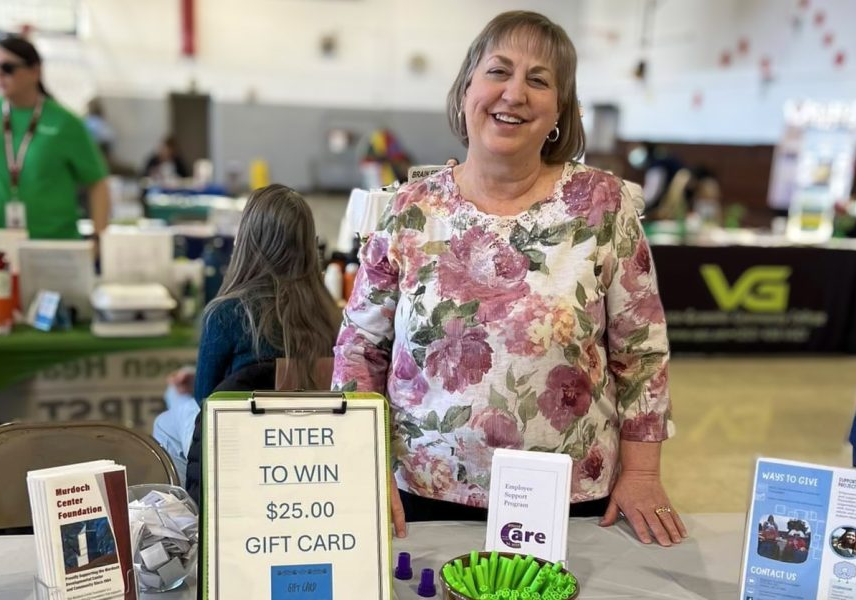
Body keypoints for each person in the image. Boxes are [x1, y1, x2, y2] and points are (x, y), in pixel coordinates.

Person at [333, 10, 683, 547]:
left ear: (560, 112)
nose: (514, 93)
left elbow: (642, 352)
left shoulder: (602, 205)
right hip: (420, 496)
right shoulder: (409, 209)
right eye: (499, 71)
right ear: (466, 88)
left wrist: (641, 474)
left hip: (570, 500)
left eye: (538, 80)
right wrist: (364, 470)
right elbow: (359, 349)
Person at [154, 184, 342, 483]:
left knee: (166, 418)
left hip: (238, 449)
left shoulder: (226, 312)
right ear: (309, 243)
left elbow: (207, 401)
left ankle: (193, 515)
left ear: (247, 240)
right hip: (309, 449)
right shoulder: (330, 313)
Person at [0, 35, 110, 240]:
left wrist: (98, 237)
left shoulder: (64, 123)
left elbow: (97, 182)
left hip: (51, 241)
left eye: (7, 68)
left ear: (35, 72)